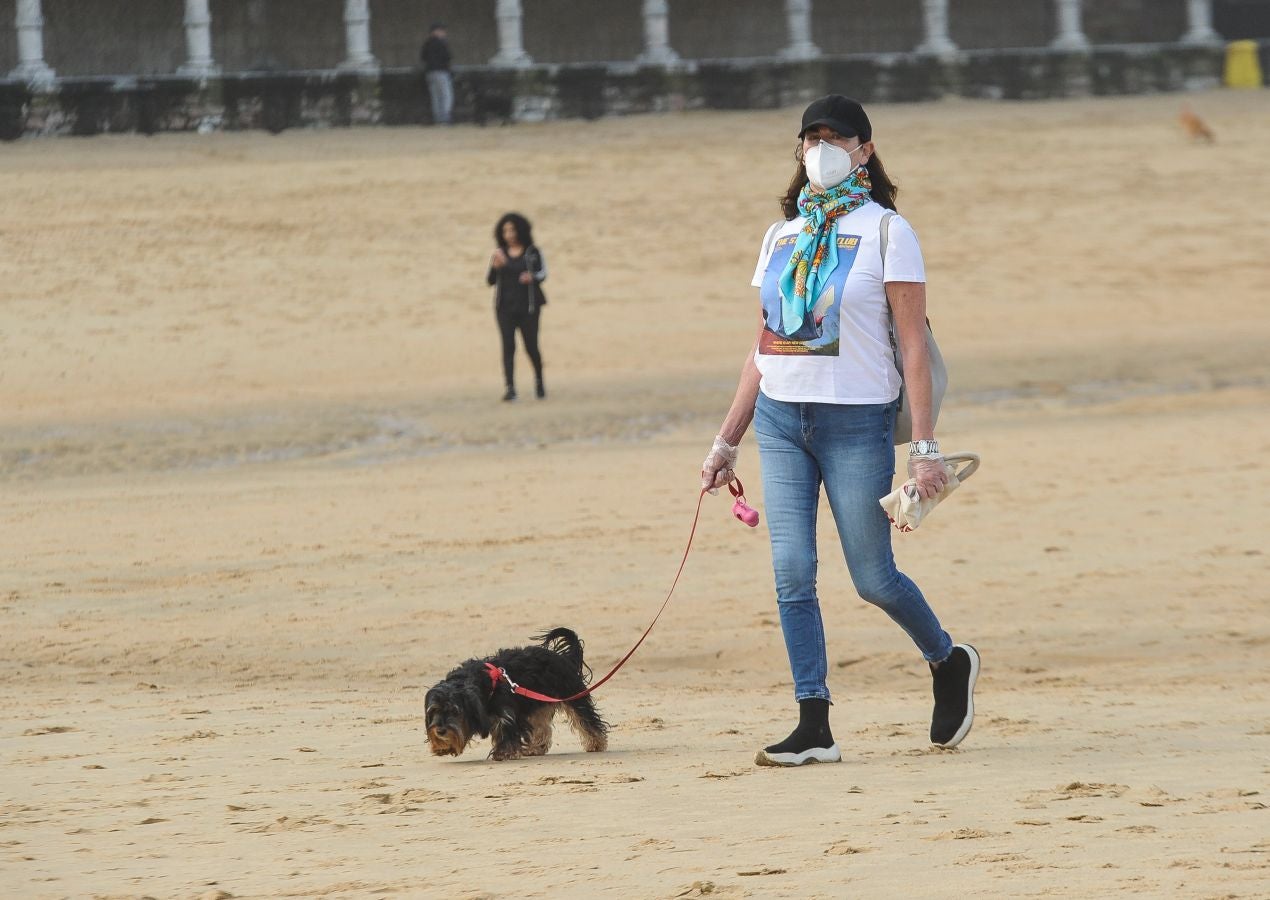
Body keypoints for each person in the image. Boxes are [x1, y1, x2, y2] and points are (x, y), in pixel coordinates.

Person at [700, 95, 980, 767]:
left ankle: (947, 661)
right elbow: (764, 348)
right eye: (811, 138)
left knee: (873, 578)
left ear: (865, 149)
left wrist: (926, 453)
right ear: (799, 150)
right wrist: (725, 440)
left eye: (835, 137)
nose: (821, 148)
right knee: (792, 574)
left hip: (857, 421)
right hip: (780, 420)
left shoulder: (887, 230)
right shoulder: (783, 236)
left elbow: (912, 345)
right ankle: (814, 723)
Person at [488, 212, 548, 401]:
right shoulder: (499, 253)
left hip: (528, 307)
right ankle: (510, 388)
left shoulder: (532, 252)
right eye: (505, 230)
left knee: (531, 346)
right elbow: (490, 280)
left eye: (512, 230)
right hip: (505, 307)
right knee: (508, 347)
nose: (509, 234)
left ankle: (539, 381)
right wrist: (496, 266)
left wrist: (531, 277)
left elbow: (542, 274)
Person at [421, 22, 453, 126]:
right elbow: (447, 56)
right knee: (445, 95)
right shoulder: (441, 43)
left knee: (435, 96)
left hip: (430, 72)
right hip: (441, 71)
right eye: (442, 31)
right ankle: (445, 118)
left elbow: (423, 57)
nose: (444, 33)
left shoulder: (427, 43)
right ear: (436, 31)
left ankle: (438, 118)